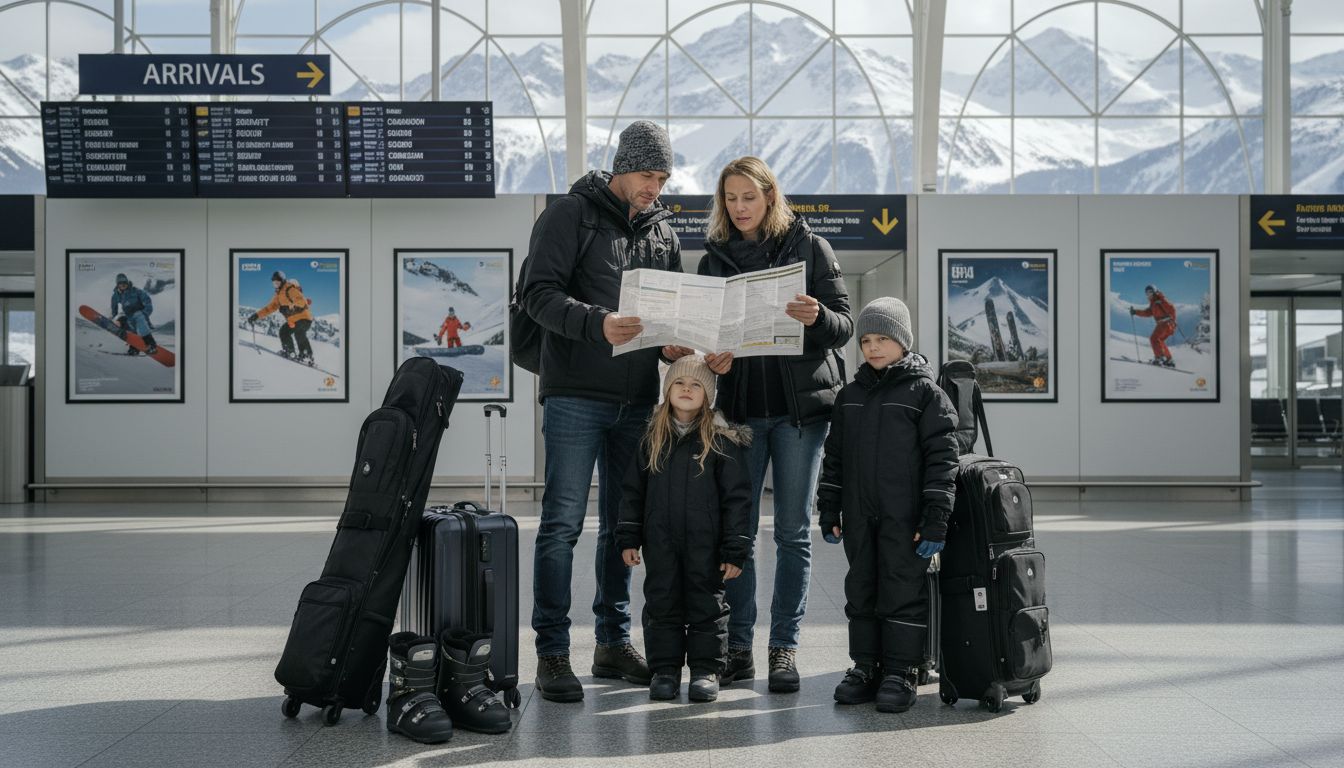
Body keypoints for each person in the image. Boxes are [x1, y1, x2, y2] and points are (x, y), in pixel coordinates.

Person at [520, 120, 685, 702]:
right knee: (562, 524)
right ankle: (552, 653)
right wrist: (598, 323)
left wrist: (673, 340)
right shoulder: (569, 216)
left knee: (622, 526)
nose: (655, 187)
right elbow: (536, 295)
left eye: (662, 177)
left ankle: (613, 643)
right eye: (647, 174)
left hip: (638, 400)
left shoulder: (663, 231)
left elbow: (673, 307)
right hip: (574, 396)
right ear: (622, 166)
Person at [686, 156, 852, 693]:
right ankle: (739, 648)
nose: (738, 208)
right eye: (730, 198)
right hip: (739, 414)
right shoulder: (713, 262)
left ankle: (783, 648)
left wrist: (816, 318)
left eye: (748, 197)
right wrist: (714, 358)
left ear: (770, 197)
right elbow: (706, 335)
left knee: (791, 533)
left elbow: (844, 324)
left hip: (800, 414)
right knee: (737, 531)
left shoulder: (810, 247)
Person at [816, 297, 958, 713]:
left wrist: (936, 520)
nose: (873, 347)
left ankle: (901, 669)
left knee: (902, 589)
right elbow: (835, 457)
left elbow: (942, 461)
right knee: (861, 588)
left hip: (906, 517)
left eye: (883, 338)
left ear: (903, 341)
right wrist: (829, 508)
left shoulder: (925, 394)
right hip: (860, 516)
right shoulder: (850, 396)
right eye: (866, 340)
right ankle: (865, 666)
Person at [616, 355, 753, 703]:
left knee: (708, 603)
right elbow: (633, 491)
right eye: (679, 383)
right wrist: (629, 536)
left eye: (696, 385)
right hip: (660, 540)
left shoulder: (722, 441)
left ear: (708, 394)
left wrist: (736, 549)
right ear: (667, 391)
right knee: (662, 602)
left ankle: (707, 670)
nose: (687, 389)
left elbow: (737, 500)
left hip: (706, 545)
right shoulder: (652, 439)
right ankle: (665, 669)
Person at [248, 271, 314, 364]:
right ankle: (290, 351)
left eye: (277, 282)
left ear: (282, 281)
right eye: (274, 283)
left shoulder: (290, 289)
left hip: (304, 318)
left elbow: (301, 300)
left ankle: (306, 355)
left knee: (299, 333)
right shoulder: (278, 295)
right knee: (284, 332)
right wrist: (256, 315)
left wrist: (292, 306)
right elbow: (269, 308)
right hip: (293, 320)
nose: (276, 285)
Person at [1130, 284, 1178, 368]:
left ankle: (1159, 358)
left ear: (1155, 291)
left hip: (1165, 323)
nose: (1149, 295)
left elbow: (1172, 308)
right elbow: (1147, 312)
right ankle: (1169, 359)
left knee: (1154, 338)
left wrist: (1172, 320)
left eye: (1150, 292)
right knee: (1160, 340)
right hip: (1164, 324)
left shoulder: (1160, 299)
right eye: (1147, 293)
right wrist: (1135, 312)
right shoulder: (1153, 303)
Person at [110, 273, 158, 356]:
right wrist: (114, 316)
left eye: (124, 283)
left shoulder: (136, 291)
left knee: (138, 320)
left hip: (140, 314)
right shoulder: (116, 295)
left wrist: (145, 313)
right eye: (120, 283)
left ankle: (151, 344)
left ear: (127, 283)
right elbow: (114, 307)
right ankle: (134, 348)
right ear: (117, 285)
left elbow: (148, 302)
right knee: (122, 321)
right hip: (129, 316)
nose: (123, 285)